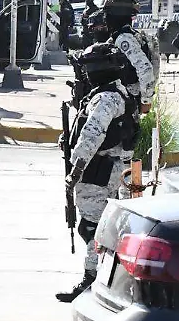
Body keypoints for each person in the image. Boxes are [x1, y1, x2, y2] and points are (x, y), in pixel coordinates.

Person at [56, 42, 139, 303]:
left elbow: (92, 136)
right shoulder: (118, 93)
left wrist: (75, 171)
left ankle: (92, 280)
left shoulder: (105, 98)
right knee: (105, 228)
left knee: (93, 228)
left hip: (99, 172)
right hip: (112, 169)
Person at [102, 0, 156, 110]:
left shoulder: (124, 38)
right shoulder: (125, 35)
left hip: (127, 97)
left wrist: (146, 101)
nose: (105, 19)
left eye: (107, 15)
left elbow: (146, 69)